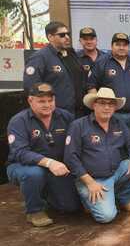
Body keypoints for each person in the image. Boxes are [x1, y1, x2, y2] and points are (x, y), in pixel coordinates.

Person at [65, 87, 130, 223]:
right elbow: (70, 158)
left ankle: (123, 198)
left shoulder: (118, 123)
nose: (107, 107)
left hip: (115, 172)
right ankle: (87, 200)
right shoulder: (78, 126)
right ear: (94, 105)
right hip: (92, 179)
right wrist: (90, 182)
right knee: (106, 217)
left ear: (115, 107)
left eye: (111, 104)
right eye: (102, 103)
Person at [6, 83, 80, 227]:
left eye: (50, 100)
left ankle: (47, 193)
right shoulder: (18, 121)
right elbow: (20, 152)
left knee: (70, 207)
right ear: (30, 100)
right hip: (23, 166)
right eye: (41, 101)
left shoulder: (65, 117)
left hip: (57, 168)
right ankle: (34, 210)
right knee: (34, 174)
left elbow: (77, 143)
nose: (47, 105)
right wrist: (49, 163)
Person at [87, 33, 130, 146]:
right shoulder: (101, 62)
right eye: (118, 44)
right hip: (112, 114)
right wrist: (97, 109)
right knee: (115, 146)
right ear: (112, 46)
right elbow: (91, 86)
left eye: (124, 45)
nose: (121, 47)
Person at [24, 21, 82, 115]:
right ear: (50, 37)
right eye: (62, 35)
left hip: (77, 112)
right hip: (55, 114)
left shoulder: (71, 55)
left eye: (68, 34)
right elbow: (31, 87)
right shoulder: (40, 57)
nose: (67, 37)